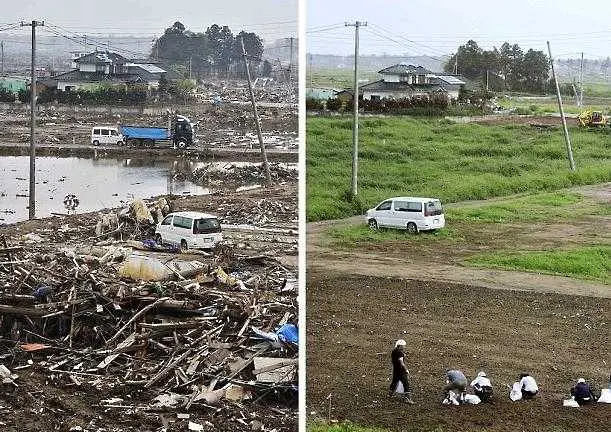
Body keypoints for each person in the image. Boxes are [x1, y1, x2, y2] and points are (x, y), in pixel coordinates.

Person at [389, 339, 414, 403]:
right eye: (403, 346)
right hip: (401, 371)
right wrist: (406, 369)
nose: (404, 347)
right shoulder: (400, 353)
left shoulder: (394, 351)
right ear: (400, 346)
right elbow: (401, 362)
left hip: (395, 370)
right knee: (406, 383)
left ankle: (390, 395)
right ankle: (407, 399)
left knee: (394, 382)